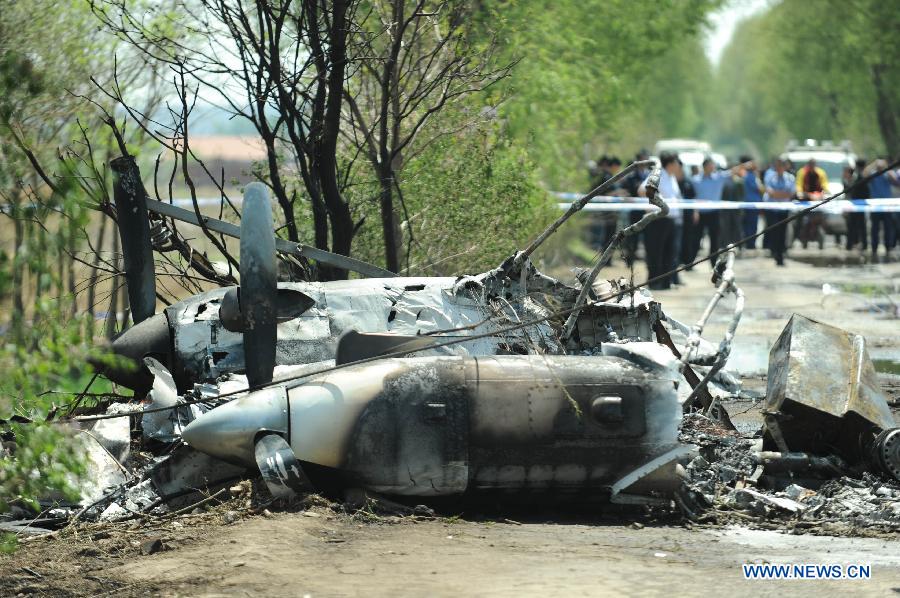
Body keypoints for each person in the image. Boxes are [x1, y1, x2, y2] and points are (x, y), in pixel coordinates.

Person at [638, 151, 681, 290]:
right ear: (670, 163)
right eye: (676, 163)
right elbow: (642, 190)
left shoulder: (672, 177)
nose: (678, 166)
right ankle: (655, 281)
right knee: (656, 251)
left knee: (670, 252)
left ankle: (666, 281)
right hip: (658, 219)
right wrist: (659, 200)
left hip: (671, 220)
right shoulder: (658, 175)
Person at [763, 159, 795, 266]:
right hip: (772, 209)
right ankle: (774, 251)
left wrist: (778, 195)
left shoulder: (790, 178)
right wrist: (781, 195)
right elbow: (770, 192)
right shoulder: (770, 177)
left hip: (784, 209)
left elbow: (790, 193)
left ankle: (780, 254)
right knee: (774, 232)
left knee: (782, 232)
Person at [623, 150, 651, 267]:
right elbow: (625, 192)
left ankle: (648, 261)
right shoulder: (631, 177)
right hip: (635, 211)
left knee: (648, 237)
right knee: (633, 236)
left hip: (648, 211)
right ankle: (630, 260)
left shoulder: (650, 175)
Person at [867, 158, 897, 261]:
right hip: (875, 207)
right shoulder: (873, 174)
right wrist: (874, 164)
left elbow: (895, 181)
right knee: (874, 229)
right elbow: (864, 175)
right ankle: (874, 249)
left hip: (887, 206)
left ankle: (888, 248)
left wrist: (886, 168)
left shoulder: (887, 173)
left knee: (888, 228)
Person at [719, 161, 745, 249]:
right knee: (725, 227)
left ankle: (739, 245)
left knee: (737, 227)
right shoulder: (724, 181)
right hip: (725, 209)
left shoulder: (739, 181)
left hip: (736, 208)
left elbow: (742, 195)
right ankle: (725, 244)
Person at [740, 155, 763, 249]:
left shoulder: (747, 176)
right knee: (752, 225)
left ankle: (749, 243)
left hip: (750, 203)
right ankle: (750, 243)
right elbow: (759, 188)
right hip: (752, 204)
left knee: (748, 225)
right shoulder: (751, 177)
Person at [845, 160, 868, 252]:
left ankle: (856, 244)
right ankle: (851, 244)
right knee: (855, 226)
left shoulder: (860, 176)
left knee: (858, 226)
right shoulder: (857, 176)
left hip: (858, 204)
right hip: (855, 205)